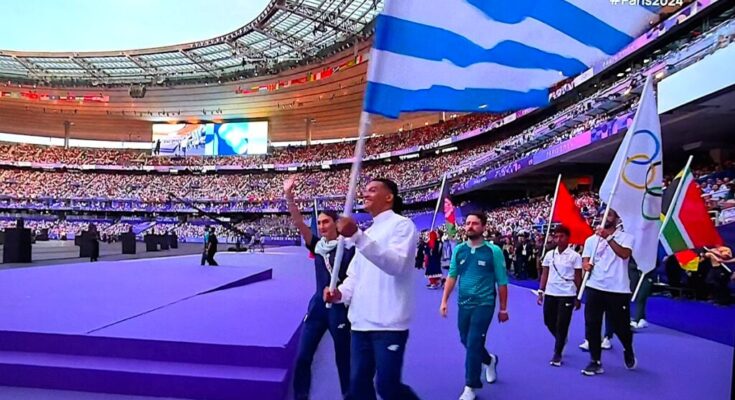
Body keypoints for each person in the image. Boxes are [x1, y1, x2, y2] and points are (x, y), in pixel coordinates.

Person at [324, 178, 420, 400]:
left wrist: (357, 236)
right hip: (360, 323)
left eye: (372, 190)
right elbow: (355, 276)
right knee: (358, 387)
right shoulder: (371, 231)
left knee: (387, 387)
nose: (365, 194)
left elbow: (397, 265)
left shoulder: (402, 226)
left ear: (389, 197)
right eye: (365, 190)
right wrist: (340, 293)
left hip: (388, 322)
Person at [284, 177, 353, 400]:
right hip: (317, 309)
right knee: (303, 356)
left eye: (326, 222)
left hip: (340, 309)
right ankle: (301, 396)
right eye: (320, 222)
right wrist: (289, 196)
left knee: (344, 358)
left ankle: (348, 395)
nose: (322, 226)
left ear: (336, 224)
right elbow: (299, 224)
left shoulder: (349, 248)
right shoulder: (317, 245)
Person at [440, 212, 508, 400]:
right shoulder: (459, 250)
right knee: (465, 339)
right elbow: (452, 275)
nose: (470, 226)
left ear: (483, 227)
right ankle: (489, 360)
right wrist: (444, 300)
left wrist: (503, 309)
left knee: (474, 341)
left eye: (475, 223)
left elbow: (502, 282)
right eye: (468, 223)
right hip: (464, 303)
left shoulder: (493, 251)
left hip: (484, 303)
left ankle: (470, 385)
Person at [581, 209, 636, 376]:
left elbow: (624, 254)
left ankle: (628, 348)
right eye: (602, 215)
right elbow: (585, 259)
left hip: (617, 289)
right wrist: (585, 266)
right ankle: (595, 360)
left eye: (609, 215)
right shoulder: (591, 240)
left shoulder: (627, 237)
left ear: (617, 218)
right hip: (595, 287)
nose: (605, 218)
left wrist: (608, 237)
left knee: (621, 327)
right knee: (592, 324)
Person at [537, 225, 582, 366]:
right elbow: (545, 273)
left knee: (562, 323)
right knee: (548, 321)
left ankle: (558, 352)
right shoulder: (549, 255)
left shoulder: (575, 256)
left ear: (568, 238)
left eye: (561, 236)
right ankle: (560, 339)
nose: (558, 239)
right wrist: (541, 291)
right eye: (556, 236)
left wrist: (578, 296)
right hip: (551, 293)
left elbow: (578, 277)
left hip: (567, 294)